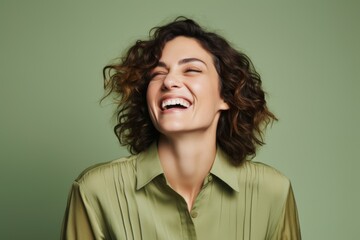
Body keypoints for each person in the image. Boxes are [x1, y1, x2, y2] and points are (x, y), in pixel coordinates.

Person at [61, 17, 301, 240]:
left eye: (191, 70)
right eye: (158, 73)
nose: (168, 81)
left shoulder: (273, 193)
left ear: (226, 95)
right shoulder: (95, 192)